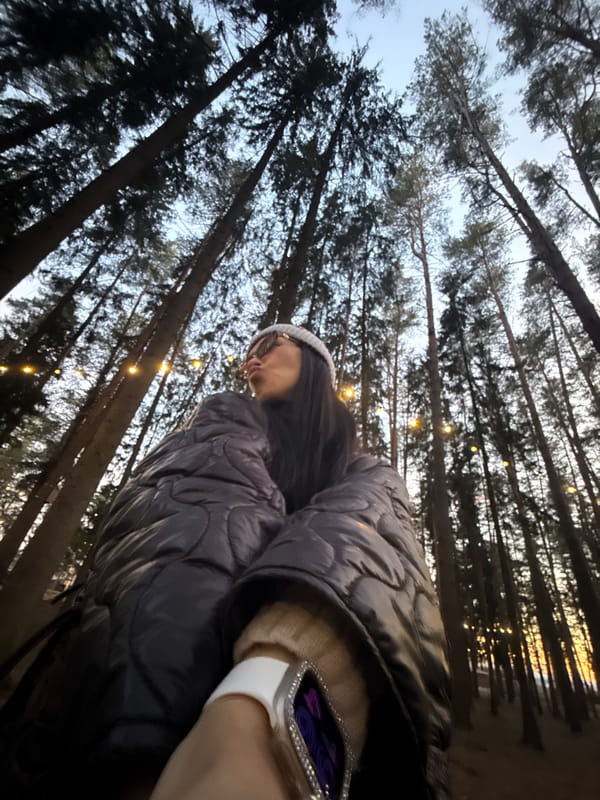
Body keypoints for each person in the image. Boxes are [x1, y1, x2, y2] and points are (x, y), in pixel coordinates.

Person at [0, 324, 451, 800]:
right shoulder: (221, 421)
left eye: (269, 347)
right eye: (248, 353)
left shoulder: (367, 470)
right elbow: (187, 530)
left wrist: (265, 697)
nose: (250, 361)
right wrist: (141, 739)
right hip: (111, 699)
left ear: (315, 364)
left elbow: (370, 555)